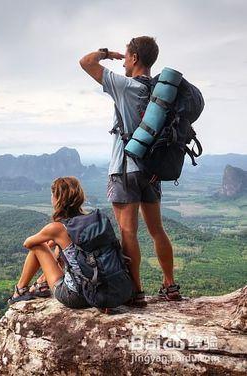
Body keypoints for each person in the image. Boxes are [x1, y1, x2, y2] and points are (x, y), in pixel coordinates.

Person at [78, 36, 182, 306]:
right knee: (157, 230)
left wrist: (107, 53)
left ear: (135, 58)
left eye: (126, 56)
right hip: (152, 170)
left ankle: (136, 292)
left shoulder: (125, 86)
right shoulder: (161, 93)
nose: (123, 61)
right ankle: (170, 285)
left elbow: (86, 62)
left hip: (125, 169)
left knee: (128, 233)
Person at [8, 176, 91, 308]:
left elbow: (28, 243)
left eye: (52, 195)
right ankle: (41, 283)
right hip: (100, 291)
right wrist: (54, 241)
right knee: (63, 248)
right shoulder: (89, 220)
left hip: (76, 296)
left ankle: (19, 290)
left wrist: (48, 240)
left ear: (58, 199)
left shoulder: (57, 228)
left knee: (38, 245)